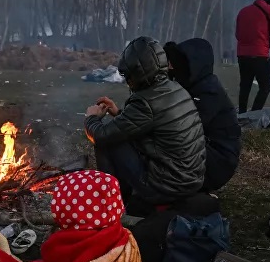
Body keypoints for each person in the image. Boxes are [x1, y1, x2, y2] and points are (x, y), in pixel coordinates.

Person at [85, 37, 205, 215]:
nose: (128, 81)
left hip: (167, 188)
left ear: (138, 72)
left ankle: (111, 206)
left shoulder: (145, 102)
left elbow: (101, 135)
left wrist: (91, 118)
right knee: (120, 136)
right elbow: (148, 123)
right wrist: (119, 114)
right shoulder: (175, 88)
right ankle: (124, 198)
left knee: (108, 142)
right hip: (190, 180)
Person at [164, 39, 241, 192]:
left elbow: (184, 127)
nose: (171, 68)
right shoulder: (193, 87)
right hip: (210, 156)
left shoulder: (208, 92)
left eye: (175, 64)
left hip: (218, 162)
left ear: (192, 65)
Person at [235, 0, 270, 113]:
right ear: (269, 3)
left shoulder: (243, 11)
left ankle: (242, 113)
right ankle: (254, 112)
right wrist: (269, 42)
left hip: (243, 56)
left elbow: (238, 34)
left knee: (245, 86)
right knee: (265, 87)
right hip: (260, 55)